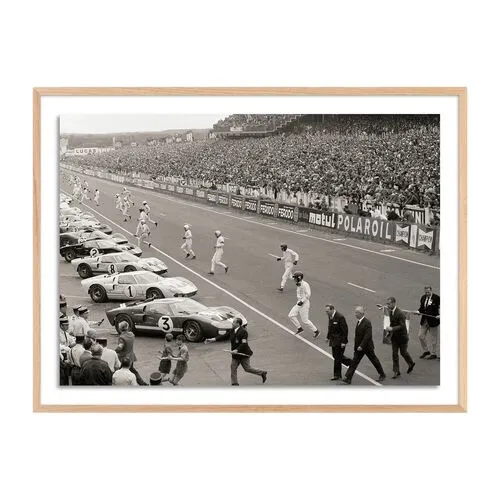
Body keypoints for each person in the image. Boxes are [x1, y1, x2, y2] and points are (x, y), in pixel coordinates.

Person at [205, 318, 267, 386]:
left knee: (247, 368)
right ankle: (235, 383)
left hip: (243, 354)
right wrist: (213, 339)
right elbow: (224, 336)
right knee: (233, 367)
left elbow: (244, 344)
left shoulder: (243, 332)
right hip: (235, 354)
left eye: (233, 322)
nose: (232, 323)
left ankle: (262, 373)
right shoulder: (232, 330)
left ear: (238, 324)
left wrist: (237, 350)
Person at [343, 307, 386, 384]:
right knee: (354, 362)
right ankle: (348, 378)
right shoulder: (359, 322)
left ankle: (382, 374)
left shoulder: (367, 323)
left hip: (367, 347)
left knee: (374, 360)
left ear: (361, 313)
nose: (355, 314)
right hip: (359, 347)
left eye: (356, 313)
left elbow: (367, 336)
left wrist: (361, 346)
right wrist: (357, 346)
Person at [385, 297, 415, 378]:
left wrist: (392, 329)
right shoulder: (391, 311)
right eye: (387, 303)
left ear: (394, 303)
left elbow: (402, 326)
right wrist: (389, 333)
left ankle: (411, 363)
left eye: (389, 303)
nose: (387, 305)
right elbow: (392, 323)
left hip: (402, 337)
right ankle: (396, 371)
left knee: (403, 352)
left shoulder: (400, 313)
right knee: (394, 354)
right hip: (395, 337)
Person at [288, 271, 320, 338]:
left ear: (299, 278)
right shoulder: (298, 283)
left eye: (295, 278)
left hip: (304, 304)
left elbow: (308, 294)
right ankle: (300, 328)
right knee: (291, 315)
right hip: (299, 303)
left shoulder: (305, 284)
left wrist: (302, 301)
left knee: (305, 320)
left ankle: (316, 331)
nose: (294, 279)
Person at [115, 321, 148, 385]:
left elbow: (120, 347)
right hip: (131, 356)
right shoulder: (131, 334)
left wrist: (115, 350)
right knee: (132, 370)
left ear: (120, 328)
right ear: (127, 327)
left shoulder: (122, 337)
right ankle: (142, 383)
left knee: (120, 371)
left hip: (124, 357)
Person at [325, 305, 351, 381]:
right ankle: (351, 363)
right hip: (333, 340)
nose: (326, 313)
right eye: (326, 311)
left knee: (337, 358)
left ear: (332, 309)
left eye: (327, 311)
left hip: (340, 341)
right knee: (336, 356)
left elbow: (345, 330)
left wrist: (344, 342)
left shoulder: (340, 317)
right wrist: (327, 337)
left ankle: (337, 375)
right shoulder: (330, 316)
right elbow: (330, 327)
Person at [416, 285, 440, 359]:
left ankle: (434, 353)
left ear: (431, 290)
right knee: (420, 336)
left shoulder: (436, 298)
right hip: (424, 320)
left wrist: (440, 315)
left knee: (433, 339)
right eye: (426, 292)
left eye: (428, 292)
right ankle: (426, 351)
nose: (427, 294)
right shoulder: (423, 298)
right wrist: (418, 311)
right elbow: (422, 308)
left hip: (433, 321)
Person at [59, 316, 74, 385]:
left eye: (68, 325)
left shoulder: (66, 333)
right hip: (61, 355)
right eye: (66, 325)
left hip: (66, 355)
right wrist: (67, 347)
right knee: (62, 376)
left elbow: (71, 340)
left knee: (66, 376)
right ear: (61, 325)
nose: (67, 327)